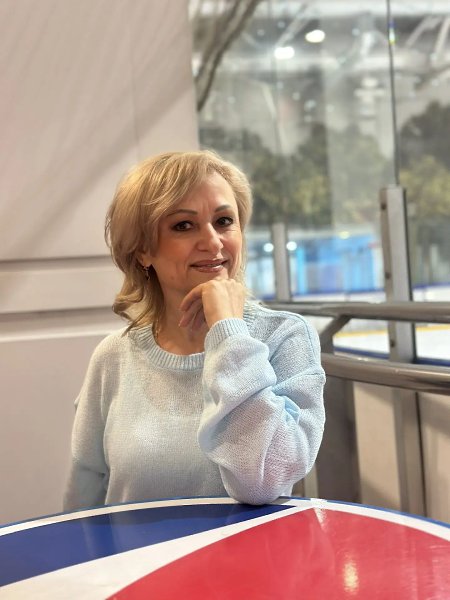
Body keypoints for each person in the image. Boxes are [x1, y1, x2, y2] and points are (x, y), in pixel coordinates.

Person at [63, 150, 326, 510]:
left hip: (246, 550)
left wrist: (228, 332)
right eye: (184, 226)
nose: (213, 242)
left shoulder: (285, 337)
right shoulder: (113, 357)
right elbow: (84, 492)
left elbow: (263, 481)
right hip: (133, 549)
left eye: (224, 221)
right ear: (142, 250)